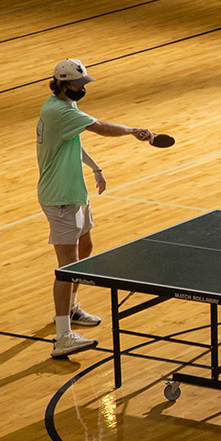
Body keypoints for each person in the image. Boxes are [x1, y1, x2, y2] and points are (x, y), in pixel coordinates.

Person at [38, 59, 156, 358]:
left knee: (86, 246)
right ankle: (63, 336)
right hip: (59, 196)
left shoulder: (65, 107)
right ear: (63, 83)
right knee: (67, 267)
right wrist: (132, 131)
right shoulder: (58, 110)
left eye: (84, 83)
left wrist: (95, 168)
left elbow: (74, 140)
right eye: (79, 84)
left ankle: (72, 308)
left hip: (75, 190)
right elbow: (100, 128)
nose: (83, 88)